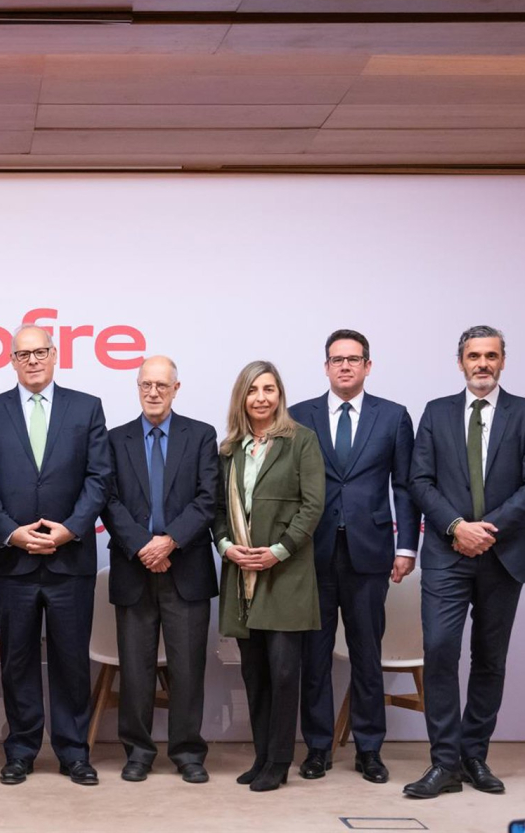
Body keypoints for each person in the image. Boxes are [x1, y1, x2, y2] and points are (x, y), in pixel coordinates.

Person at [0, 324, 111, 786]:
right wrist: (12, 533)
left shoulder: (86, 407)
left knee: (72, 659)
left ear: (55, 355)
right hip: (14, 562)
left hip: (70, 560)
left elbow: (99, 478)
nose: (32, 360)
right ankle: (21, 750)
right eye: (23, 354)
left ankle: (74, 752)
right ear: (11, 360)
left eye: (40, 352)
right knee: (18, 660)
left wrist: (70, 530)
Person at [289, 330, 420, 785]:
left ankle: (369, 750)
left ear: (367, 365)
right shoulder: (299, 415)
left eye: (353, 359)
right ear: (326, 366)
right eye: (337, 359)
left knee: (367, 654)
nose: (345, 366)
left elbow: (404, 486)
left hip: (371, 552)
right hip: (312, 553)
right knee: (314, 656)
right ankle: (318, 748)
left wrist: (406, 546)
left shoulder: (393, 416)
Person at [405, 325, 525, 799]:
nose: (482, 364)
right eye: (474, 356)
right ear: (460, 362)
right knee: (439, 651)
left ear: (502, 361)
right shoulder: (436, 413)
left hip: (503, 555)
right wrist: (457, 527)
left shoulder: (522, 412)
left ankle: (475, 756)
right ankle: (445, 764)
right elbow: (419, 480)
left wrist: (486, 529)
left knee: (490, 659)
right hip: (446, 554)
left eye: (491, 355)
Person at [102, 356, 217, 785]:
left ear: (176, 389)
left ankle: (188, 753)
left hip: (185, 567)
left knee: (187, 669)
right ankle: (138, 752)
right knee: (135, 670)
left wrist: (169, 541)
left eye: (161, 386)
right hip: (134, 568)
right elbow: (108, 500)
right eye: (146, 385)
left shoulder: (201, 436)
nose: (153, 392)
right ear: (138, 387)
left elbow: (208, 499)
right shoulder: (115, 439)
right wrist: (143, 546)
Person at [213, 360, 324, 793]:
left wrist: (278, 551)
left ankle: (279, 762)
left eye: (269, 389)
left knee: (283, 673)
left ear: (280, 395)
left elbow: (312, 506)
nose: (261, 398)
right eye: (253, 390)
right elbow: (217, 511)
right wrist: (226, 546)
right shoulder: (229, 450)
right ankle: (261, 757)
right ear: (241, 397)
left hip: (286, 574)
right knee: (254, 674)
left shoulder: (301, 441)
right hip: (241, 574)